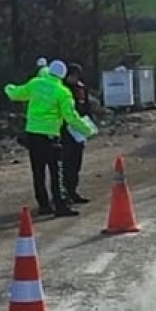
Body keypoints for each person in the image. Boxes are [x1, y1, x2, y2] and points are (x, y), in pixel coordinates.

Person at [3, 60, 97, 217]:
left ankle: (44, 205)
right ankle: (60, 206)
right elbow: (70, 117)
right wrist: (87, 129)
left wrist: (8, 87)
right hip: (50, 135)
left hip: (33, 134)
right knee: (56, 171)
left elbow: (16, 94)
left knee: (38, 172)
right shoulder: (62, 92)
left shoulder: (35, 84)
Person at [60, 62, 92, 205]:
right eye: (73, 75)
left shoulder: (82, 88)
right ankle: (66, 193)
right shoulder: (62, 90)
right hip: (65, 131)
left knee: (76, 163)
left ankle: (73, 191)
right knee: (67, 164)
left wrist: (88, 125)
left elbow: (86, 108)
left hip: (78, 130)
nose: (75, 78)